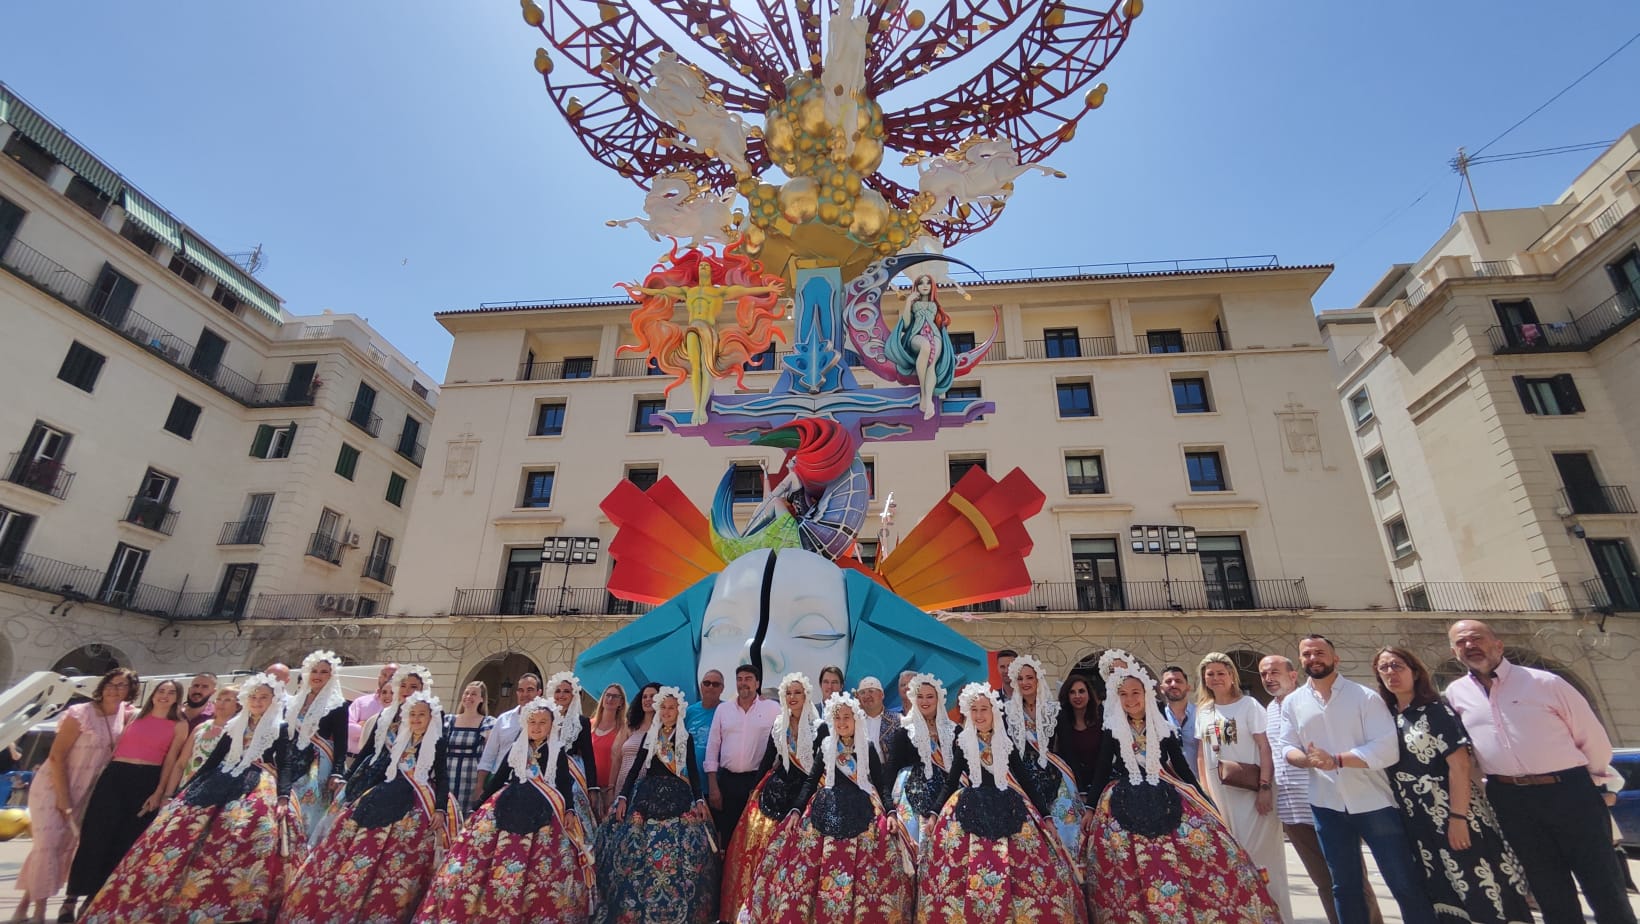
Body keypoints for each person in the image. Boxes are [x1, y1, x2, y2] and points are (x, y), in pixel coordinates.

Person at [1445, 619, 1636, 924]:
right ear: (1455, 652)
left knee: (1602, 881)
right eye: (1461, 642)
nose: (1470, 646)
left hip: (1568, 790)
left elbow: (1592, 737)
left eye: (1476, 638)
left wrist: (1598, 783)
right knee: (1547, 886)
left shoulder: (1544, 682)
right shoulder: (1456, 694)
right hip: (1509, 798)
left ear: (1498, 645)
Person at [79, 674, 294, 924]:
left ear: (273, 700)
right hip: (221, 777)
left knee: (248, 828)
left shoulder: (279, 726)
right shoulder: (236, 723)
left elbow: (285, 762)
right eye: (254, 697)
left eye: (263, 698)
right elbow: (215, 759)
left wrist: (283, 796)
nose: (257, 702)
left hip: (258, 780)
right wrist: (189, 789)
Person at [1085, 665, 1281, 922]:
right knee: (1124, 859)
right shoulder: (1112, 729)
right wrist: (1090, 808)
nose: (1130, 700)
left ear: (1147, 694)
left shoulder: (1163, 727)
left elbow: (1182, 768)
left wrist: (1204, 799)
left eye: (1136, 693)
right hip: (1122, 798)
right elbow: (1101, 769)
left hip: (1164, 793)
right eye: (1123, 694)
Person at [1279, 634, 1437, 924]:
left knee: (1402, 882)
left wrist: (1336, 759)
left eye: (1320, 653)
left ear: (1335, 658)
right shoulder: (1292, 703)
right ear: (1300, 660)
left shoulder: (1364, 697)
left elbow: (1386, 749)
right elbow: (1286, 747)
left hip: (1374, 803)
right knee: (1344, 886)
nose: (1313, 659)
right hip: (1327, 806)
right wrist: (1306, 759)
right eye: (1307, 654)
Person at [1373, 646, 1533, 924]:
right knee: (1444, 896)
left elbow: (1460, 766)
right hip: (1419, 824)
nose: (1391, 673)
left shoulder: (1437, 711)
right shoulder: (1387, 718)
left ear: (1414, 670)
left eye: (1397, 665)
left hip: (1455, 816)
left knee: (1480, 889)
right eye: (1384, 667)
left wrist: (1457, 818)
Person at [916, 682, 1084, 922]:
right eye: (974, 710)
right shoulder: (963, 744)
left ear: (993, 711)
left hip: (1008, 806)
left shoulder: (1006, 743)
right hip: (969, 808)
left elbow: (1026, 781)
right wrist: (934, 814)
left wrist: (1046, 817)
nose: (979, 715)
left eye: (984, 709)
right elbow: (950, 783)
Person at [279, 691, 452, 924]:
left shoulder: (437, 742)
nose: (416, 719)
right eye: (412, 714)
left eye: (422, 715)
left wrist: (440, 808)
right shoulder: (399, 736)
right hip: (385, 793)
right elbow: (379, 765)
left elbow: (442, 777)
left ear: (432, 718)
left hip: (419, 800)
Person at [416, 697, 594, 924]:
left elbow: (563, 783)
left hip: (543, 809)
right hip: (509, 803)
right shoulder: (516, 748)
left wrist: (569, 809)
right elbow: (499, 778)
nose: (537, 727)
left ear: (552, 725)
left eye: (543, 722)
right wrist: (479, 805)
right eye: (533, 722)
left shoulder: (557, 751)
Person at [744, 692, 913, 922]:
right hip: (825, 809)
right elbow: (810, 782)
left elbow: (882, 785)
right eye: (837, 718)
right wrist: (795, 811)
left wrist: (891, 812)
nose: (842, 722)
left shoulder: (868, 747)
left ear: (855, 719)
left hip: (863, 810)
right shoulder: (826, 746)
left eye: (846, 717)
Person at [1260, 655, 1384, 924]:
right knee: (1324, 883)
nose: (1269, 678)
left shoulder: (1310, 702)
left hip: (1324, 803)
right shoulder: (1268, 709)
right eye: (1264, 674)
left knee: (1351, 879)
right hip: (1292, 809)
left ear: (1293, 675)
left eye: (1275, 672)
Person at [13, 667, 137, 924]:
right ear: (102, 686)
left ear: (130, 691)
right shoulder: (80, 714)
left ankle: (22, 907)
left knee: (57, 850)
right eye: (111, 684)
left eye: (122, 685)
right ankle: (39, 911)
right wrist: (62, 798)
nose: (115, 689)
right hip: (54, 785)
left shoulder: (125, 716)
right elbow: (56, 756)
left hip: (87, 791)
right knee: (47, 846)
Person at [66, 678, 190, 908]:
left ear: (177, 698)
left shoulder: (180, 724)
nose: (165, 695)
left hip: (147, 779)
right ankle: (72, 896)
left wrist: (159, 792)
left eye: (171, 692)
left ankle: (96, 898)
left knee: (123, 840)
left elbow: (171, 760)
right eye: (161, 691)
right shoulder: (134, 715)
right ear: (152, 694)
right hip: (115, 775)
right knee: (95, 834)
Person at [599, 686, 719, 923]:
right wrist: (622, 797)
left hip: (680, 796)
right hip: (648, 794)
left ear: (678, 711)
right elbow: (635, 770)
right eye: (662, 707)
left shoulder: (686, 737)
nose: (666, 712)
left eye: (671, 708)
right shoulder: (649, 736)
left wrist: (698, 800)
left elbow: (693, 773)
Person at [1196, 651, 1290, 922]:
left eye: (1220, 673)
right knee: (1232, 859)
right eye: (1210, 674)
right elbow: (1202, 755)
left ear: (1231, 676)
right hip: (1220, 795)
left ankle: (1275, 914)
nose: (1215, 678)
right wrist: (1205, 794)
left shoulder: (1249, 706)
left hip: (1251, 793)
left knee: (1259, 858)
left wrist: (1264, 787)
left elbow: (1264, 747)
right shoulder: (1205, 710)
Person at [721, 672, 818, 921]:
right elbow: (767, 759)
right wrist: (754, 789)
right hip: (777, 788)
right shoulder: (779, 724)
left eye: (797, 692)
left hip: (808, 790)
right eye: (789, 693)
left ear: (806, 696)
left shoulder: (819, 727)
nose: (793, 697)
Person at [1005, 655, 1087, 857]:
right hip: (1022, 777)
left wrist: (1082, 787)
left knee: (1065, 829)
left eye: (1029, 677)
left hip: (1054, 775)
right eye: (1020, 679)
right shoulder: (1007, 712)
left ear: (1037, 680)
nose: (1025, 683)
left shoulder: (1054, 711)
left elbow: (1068, 749)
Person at [706, 664, 780, 847]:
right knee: (728, 835)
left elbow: (782, 743)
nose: (743, 683)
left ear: (757, 683)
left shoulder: (773, 709)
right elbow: (713, 746)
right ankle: (727, 875)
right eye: (739, 679)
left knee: (755, 836)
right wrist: (713, 786)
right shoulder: (723, 710)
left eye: (748, 679)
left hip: (758, 781)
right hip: (728, 782)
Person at [283, 650, 351, 844]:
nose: (318, 676)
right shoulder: (295, 701)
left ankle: (303, 845)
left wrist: (337, 772)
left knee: (308, 807)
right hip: (291, 758)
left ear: (331, 676)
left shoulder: (338, 705)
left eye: (324, 672)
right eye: (314, 671)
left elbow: (341, 741)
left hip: (318, 763)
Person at [883, 672, 956, 846]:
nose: (925, 701)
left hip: (948, 793)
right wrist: (890, 810)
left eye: (930, 696)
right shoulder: (905, 732)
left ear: (939, 699)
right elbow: (891, 770)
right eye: (920, 696)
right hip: (912, 793)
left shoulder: (954, 731)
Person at [885, 273, 956, 418]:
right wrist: (908, 303)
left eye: (928, 282)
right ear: (916, 286)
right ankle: (924, 393)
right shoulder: (913, 303)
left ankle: (928, 401)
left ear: (932, 286)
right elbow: (905, 324)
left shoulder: (935, 305)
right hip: (916, 335)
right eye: (921, 283)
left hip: (935, 335)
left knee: (932, 364)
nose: (925, 285)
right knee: (925, 347)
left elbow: (939, 322)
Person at [473, 673, 542, 804]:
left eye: (530, 690)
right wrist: (480, 786)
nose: (525, 694)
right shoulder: (503, 719)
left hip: (532, 785)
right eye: (521, 690)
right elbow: (489, 755)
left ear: (539, 692)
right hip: (499, 782)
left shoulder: (546, 722)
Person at [443, 680, 495, 815]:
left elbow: (489, 754)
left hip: (471, 780)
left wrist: (480, 785)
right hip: (447, 777)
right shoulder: (448, 721)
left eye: (473, 694)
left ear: (481, 699)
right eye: (466, 693)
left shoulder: (488, 723)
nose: (468, 697)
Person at [1049, 673, 1103, 798]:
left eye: (1081, 691)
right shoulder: (1060, 720)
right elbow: (1068, 755)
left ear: (1089, 695)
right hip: (1070, 784)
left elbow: (1104, 757)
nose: (1077, 696)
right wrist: (1080, 790)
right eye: (1072, 692)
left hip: (1099, 781)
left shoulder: (1101, 717)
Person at [180, 685, 241, 785]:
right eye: (219, 699)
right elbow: (181, 763)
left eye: (228, 700)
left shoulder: (237, 732)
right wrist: (168, 794)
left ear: (238, 706)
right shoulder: (201, 727)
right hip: (184, 787)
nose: (221, 703)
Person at [614, 682, 661, 795]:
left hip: (647, 790)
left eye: (652, 696)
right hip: (623, 786)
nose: (647, 699)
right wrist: (611, 787)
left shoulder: (665, 729)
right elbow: (616, 758)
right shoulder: (630, 726)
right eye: (644, 697)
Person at [589, 683, 626, 817]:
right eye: (608, 695)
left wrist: (612, 789)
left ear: (621, 702)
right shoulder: (589, 725)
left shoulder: (625, 728)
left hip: (609, 790)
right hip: (589, 788)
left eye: (615, 696)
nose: (610, 699)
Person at [687, 669, 724, 799]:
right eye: (707, 683)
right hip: (691, 785)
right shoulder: (689, 712)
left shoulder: (728, 710)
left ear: (722, 688)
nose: (710, 687)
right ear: (701, 686)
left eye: (715, 684)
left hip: (719, 786)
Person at [348, 663, 398, 755]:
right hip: (352, 758)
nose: (387, 679)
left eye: (392, 676)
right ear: (379, 677)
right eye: (384, 675)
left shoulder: (401, 707)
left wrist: (366, 725)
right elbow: (348, 729)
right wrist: (377, 730)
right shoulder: (361, 702)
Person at [1158, 665, 1200, 771]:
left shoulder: (1202, 714)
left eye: (1178, 681)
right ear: (1161, 689)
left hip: (1202, 782)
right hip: (1171, 783)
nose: (1173, 684)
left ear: (1188, 687)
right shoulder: (1157, 718)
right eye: (1168, 681)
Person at [853, 676, 892, 759]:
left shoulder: (896, 720)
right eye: (862, 692)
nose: (867, 696)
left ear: (882, 695)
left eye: (871, 691)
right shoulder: (853, 720)